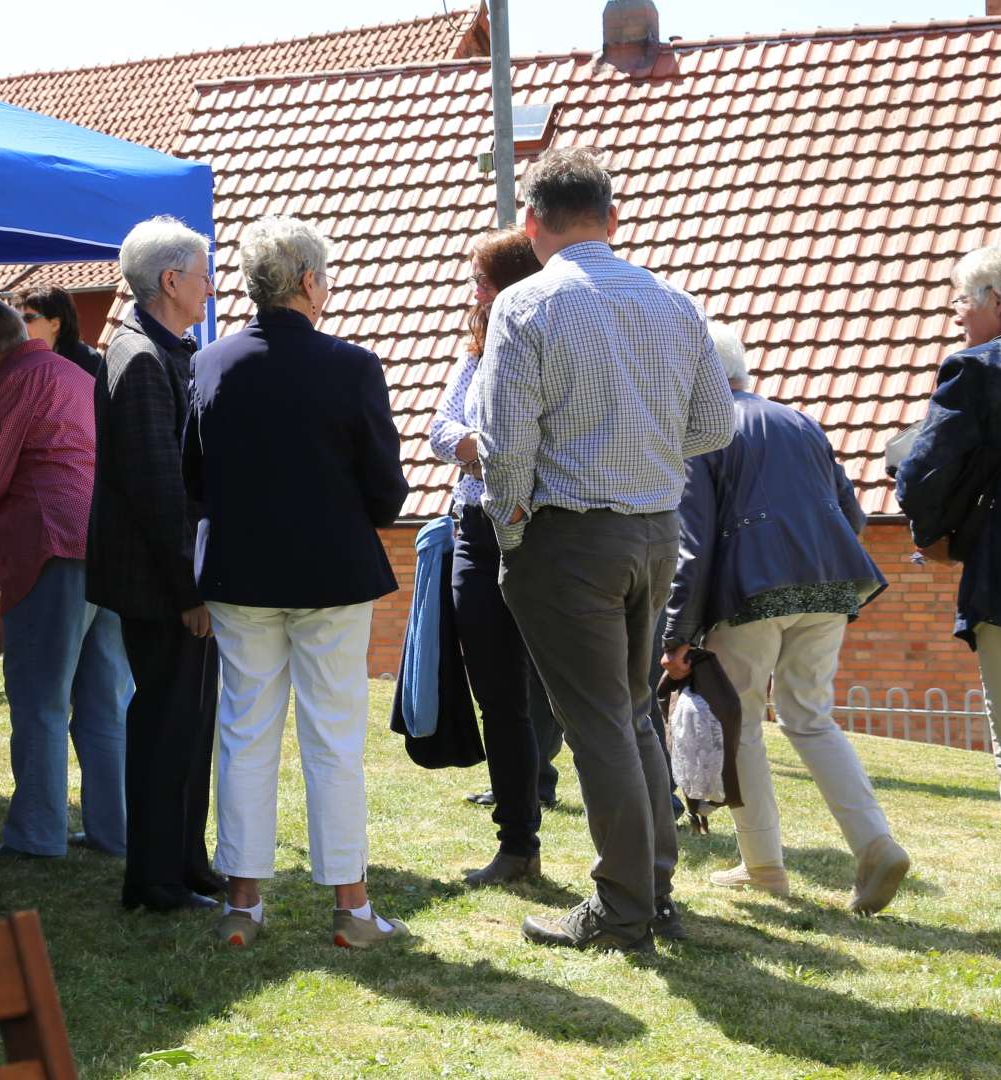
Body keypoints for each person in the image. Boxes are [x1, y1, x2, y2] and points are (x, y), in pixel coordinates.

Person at [475, 147, 733, 952]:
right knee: (630, 717)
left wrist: (509, 532)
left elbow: (504, 447)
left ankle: (622, 910)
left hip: (569, 537)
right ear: (612, 218)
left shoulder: (524, 304)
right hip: (655, 530)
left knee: (598, 726)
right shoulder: (675, 301)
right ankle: (651, 895)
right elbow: (714, 426)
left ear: (530, 220)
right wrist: (643, 452)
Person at [183, 216, 411, 949]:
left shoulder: (210, 363)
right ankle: (351, 909)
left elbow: (194, 477)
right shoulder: (352, 366)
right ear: (310, 283)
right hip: (330, 572)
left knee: (244, 732)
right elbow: (386, 490)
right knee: (334, 737)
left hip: (239, 571)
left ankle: (242, 906)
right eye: (326, 277)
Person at [661, 323, 908, 913]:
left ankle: (763, 866)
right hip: (831, 585)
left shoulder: (702, 432)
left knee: (741, 724)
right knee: (810, 717)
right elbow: (852, 516)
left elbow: (692, 544)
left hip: (750, 593)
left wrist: (676, 634)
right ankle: (875, 842)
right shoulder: (801, 421)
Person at [898, 231, 1001, 979]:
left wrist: (938, 535)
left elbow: (922, 477)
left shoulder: (985, 368)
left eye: (963, 299)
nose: (957, 313)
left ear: (998, 300)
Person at [0, 299, 127, 859]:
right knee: (105, 701)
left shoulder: (14, 380)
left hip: (51, 547)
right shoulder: (74, 373)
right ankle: (114, 831)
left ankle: (37, 836)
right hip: (105, 544)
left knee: (39, 698)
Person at [88, 216, 224, 913]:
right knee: (167, 726)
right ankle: (154, 880)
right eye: (203, 273)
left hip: (170, 577)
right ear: (171, 281)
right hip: (161, 584)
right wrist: (189, 591)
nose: (211, 286)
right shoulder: (139, 357)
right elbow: (157, 489)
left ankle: (186, 861)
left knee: (190, 724)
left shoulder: (164, 348)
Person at [427, 226, 557, 887]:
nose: (472, 291)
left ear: (512, 283)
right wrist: (483, 447)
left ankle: (628, 854)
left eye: (481, 279)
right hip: (476, 531)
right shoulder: (474, 354)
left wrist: (491, 447)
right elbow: (439, 430)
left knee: (574, 694)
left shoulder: (551, 343)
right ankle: (517, 845)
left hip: (541, 531)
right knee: (499, 698)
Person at [15, 283, 104, 377]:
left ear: (55, 324)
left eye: (27, 318)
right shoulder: (20, 359)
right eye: (18, 319)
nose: (21, 325)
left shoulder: (88, 362)